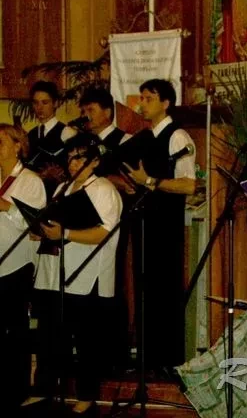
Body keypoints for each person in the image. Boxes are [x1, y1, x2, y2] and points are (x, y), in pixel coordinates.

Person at [32, 133, 123, 414]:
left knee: (86, 340)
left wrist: (66, 233)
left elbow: (105, 233)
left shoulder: (104, 189)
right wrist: (40, 230)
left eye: (79, 158)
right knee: (50, 335)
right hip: (55, 273)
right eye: (70, 158)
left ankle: (87, 395)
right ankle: (45, 390)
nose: (73, 163)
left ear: (94, 161)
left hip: (87, 275)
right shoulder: (63, 188)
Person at [124, 78, 196, 373]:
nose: (142, 103)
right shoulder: (144, 137)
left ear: (166, 103)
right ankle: (148, 359)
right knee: (145, 290)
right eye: (140, 97)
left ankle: (168, 362)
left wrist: (150, 182)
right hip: (144, 222)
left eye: (149, 98)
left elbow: (188, 184)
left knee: (165, 292)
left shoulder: (177, 136)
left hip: (166, 226)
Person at [78, 87, 134, 370]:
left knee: (112, 280)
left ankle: (115, 352)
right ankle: (88, 349)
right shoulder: (82, 142)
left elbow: (131, 182)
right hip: (81, 216)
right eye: (84, 110)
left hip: (112, 215)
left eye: (91, 110)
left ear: (108, 111)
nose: (86, 116)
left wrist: (103, 177)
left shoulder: (125, 141)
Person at [0, 124, 46, 413]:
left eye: (1, 142)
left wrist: (6, 207)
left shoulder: (30, 181)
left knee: (15, 329)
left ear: (18, 146)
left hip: (16, 264)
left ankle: (16, 391)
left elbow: (36, 224)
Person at [27, 80, 77, 195]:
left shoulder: (67, 133)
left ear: (55, 103)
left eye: (45, 102)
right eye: (36, 103)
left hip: (56, 193)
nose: (39, 108)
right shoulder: (31, 134)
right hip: (33, 192)